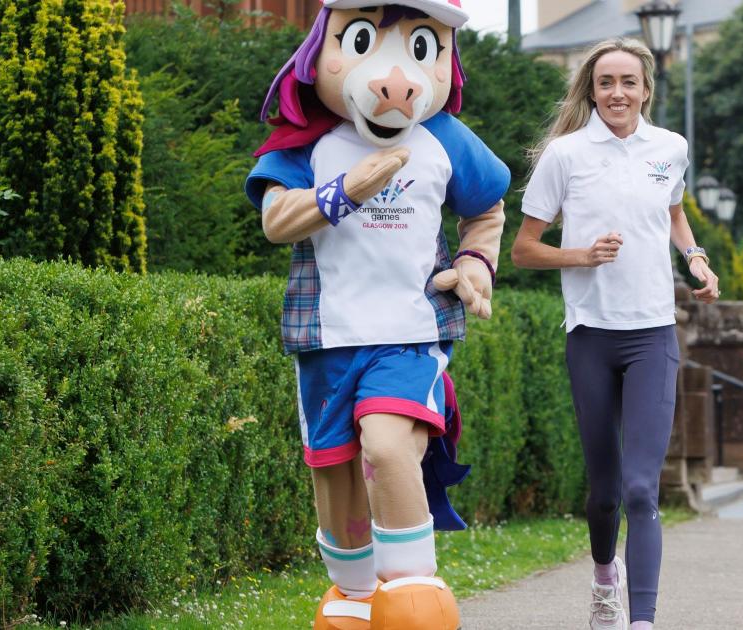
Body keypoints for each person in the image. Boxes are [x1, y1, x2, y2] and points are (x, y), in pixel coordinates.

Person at [243, 2, 510, 628]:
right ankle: (356, 598)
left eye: (422, 49)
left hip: (412, 335)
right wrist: (346, 192)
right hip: (327, 338)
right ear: (321, 49)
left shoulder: (445, 138)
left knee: (388, 449)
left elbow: (487, 209)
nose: (396, 81)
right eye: (361, 41)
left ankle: (415, 592)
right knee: (335, 481)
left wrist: (475, 263)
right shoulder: (309, 139)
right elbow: (276, 220)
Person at [511, 38, 720, 630]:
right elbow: (523, 250)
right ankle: (606, 575)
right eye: (606, 82)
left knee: (641, 489)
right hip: (592, 336)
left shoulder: (670, 148)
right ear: (592, 90)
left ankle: (642, 620)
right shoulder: (565, 156)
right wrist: (581, 255)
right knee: (604, 494)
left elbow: (673, 212)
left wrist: (695, 258)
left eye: (629, 82)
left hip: (653, 334)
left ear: (646, 89)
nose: (618, 93)